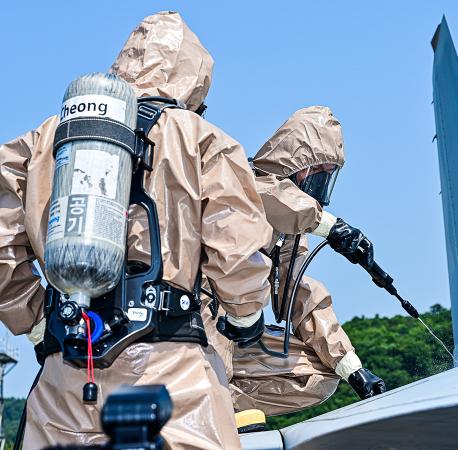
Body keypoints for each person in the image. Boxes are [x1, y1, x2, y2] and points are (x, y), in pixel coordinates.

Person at [0, 11, 272, 449]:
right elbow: (237, 245)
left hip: (66, 368)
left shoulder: (47, 137)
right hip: (172, 374)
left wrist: (32, 320)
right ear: (194, 79)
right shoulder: (199, 136)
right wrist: (246, 316)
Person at [208, 106, 386, 418]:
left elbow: (299, 293)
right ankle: (209, 409)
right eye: (322, 174)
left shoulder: (289, 232)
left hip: (237, 335)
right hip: (194, 324)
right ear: (301, 168)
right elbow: (271, 196)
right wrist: (332, 226)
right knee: (219, 322)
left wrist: (352, 369)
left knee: (318, 375)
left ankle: (226, 406)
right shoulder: (242, 184)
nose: (322, 187)